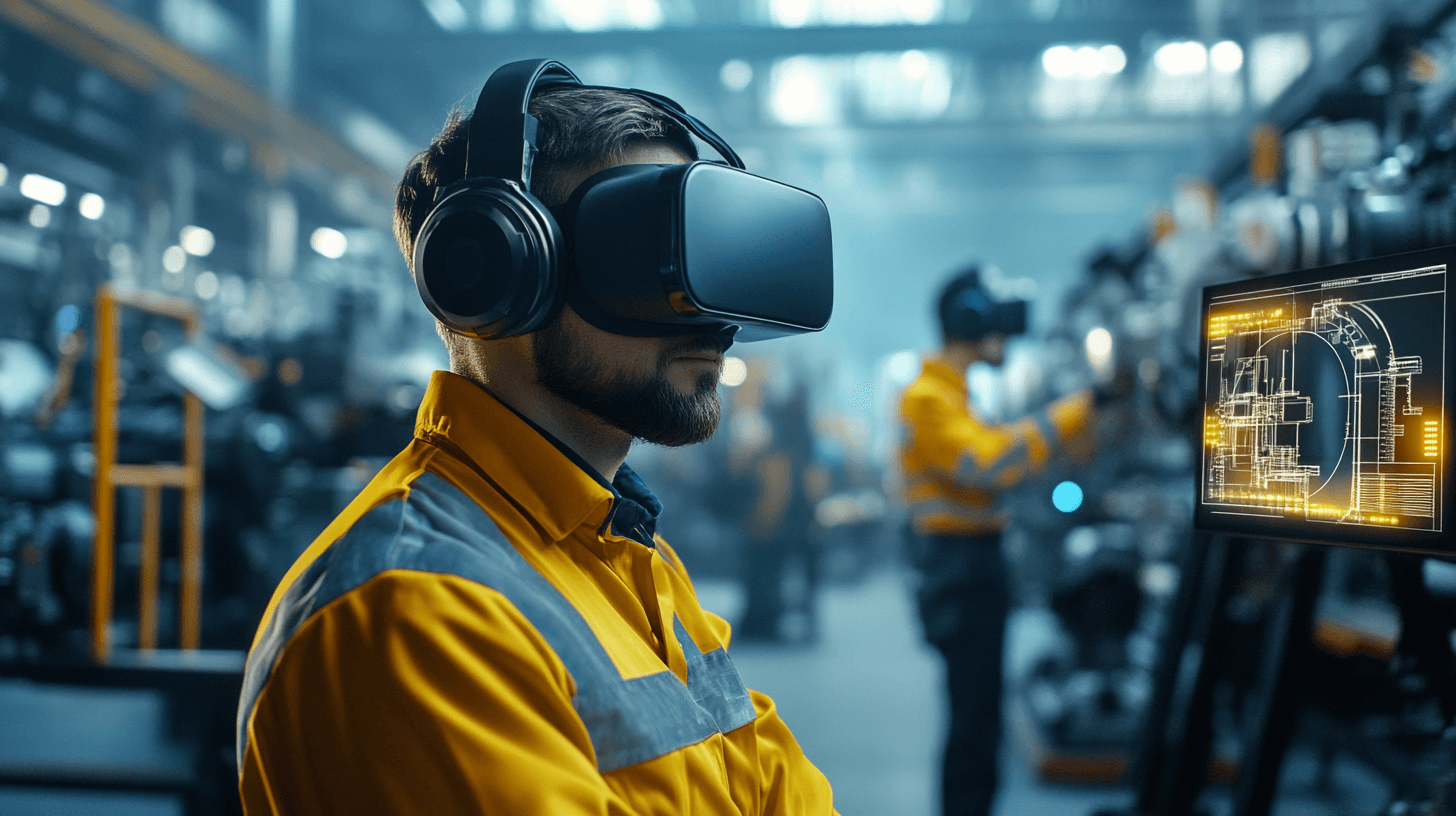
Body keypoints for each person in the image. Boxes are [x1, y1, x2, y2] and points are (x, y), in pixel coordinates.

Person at [235, 60, 836, 814]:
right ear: (498, 270)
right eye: (651, 259)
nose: (711, 319)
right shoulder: (419, 610)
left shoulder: (627, 555)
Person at [898, 267, 1092, 816]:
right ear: (970, 322)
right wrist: (1075, 412)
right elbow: (987, 465)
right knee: (973, 717)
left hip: (970, 566)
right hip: (960, 570)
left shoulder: (955, 396)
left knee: (979, 713)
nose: (1007, 336)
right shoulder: (929, 398)